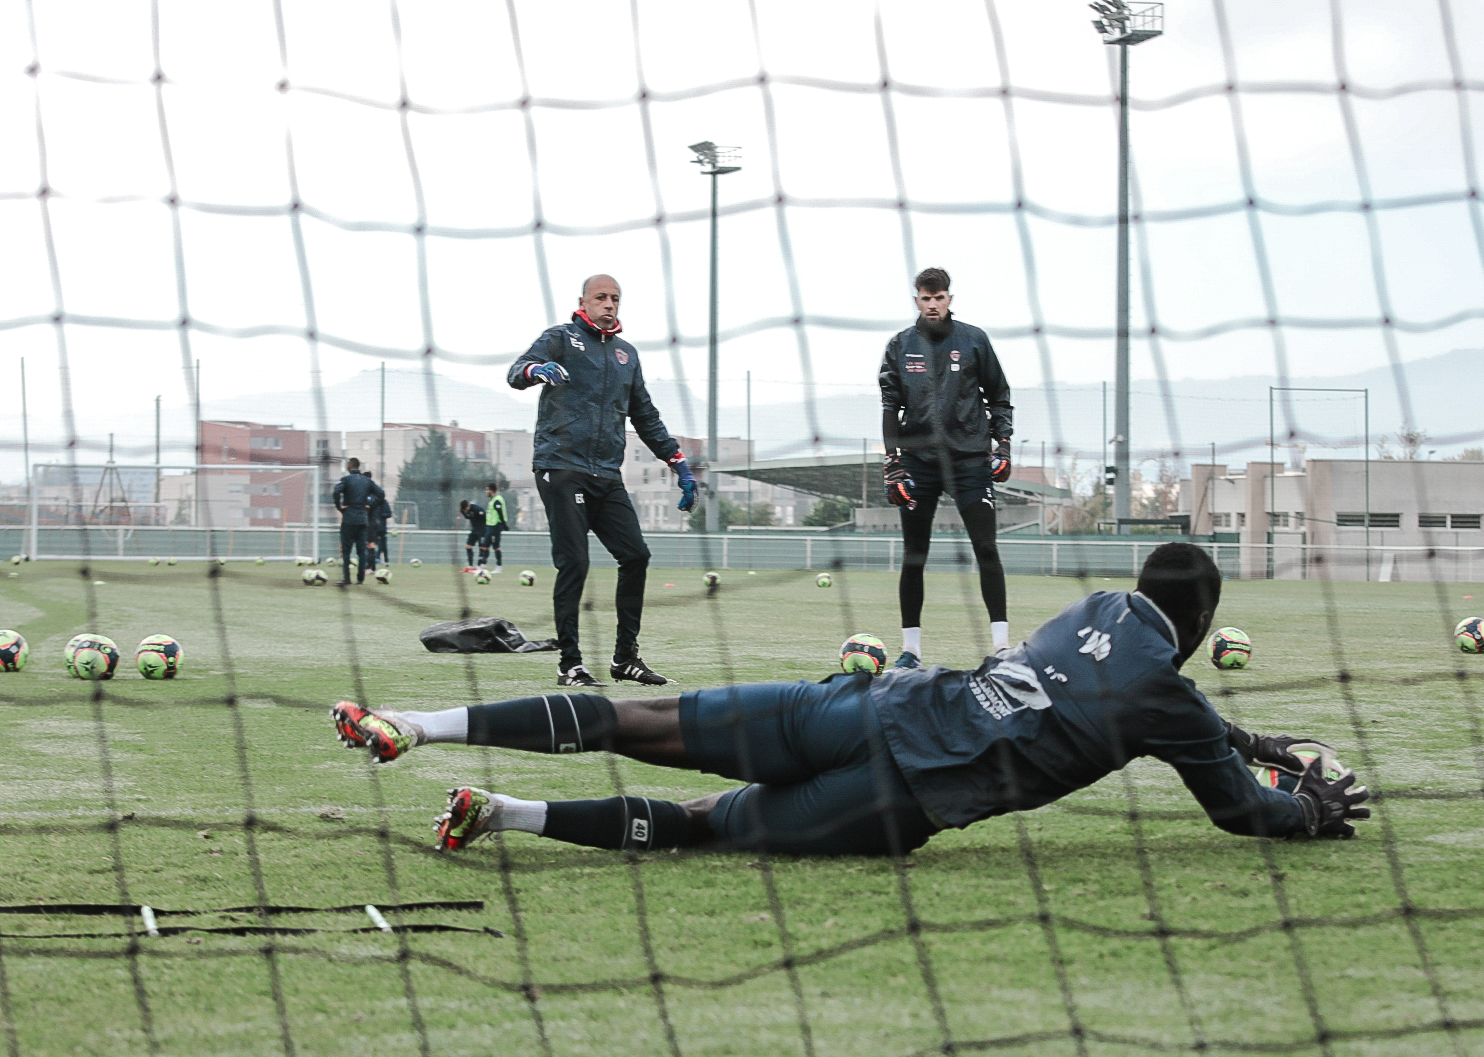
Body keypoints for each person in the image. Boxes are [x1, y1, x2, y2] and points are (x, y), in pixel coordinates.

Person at [330, 543, 1372, 857]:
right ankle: (506, 815)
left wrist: (1247, 735)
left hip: (874, 707)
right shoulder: (1168, 702)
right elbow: (1236, 807)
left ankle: (416, 725)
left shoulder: (1097, 608)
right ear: (1201, 625)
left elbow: (1147, 701)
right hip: (896, 797)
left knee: (641, 718)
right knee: (706, 824)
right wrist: (1308, 810)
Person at [505, 273, 698, 688]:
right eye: (601, 297)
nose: (609, 304)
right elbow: (515, 372)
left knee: (636, 556)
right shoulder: (560, 338)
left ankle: (625, 659)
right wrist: (538, 369)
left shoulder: (627, 355)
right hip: (561, 468)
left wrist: (678, 463)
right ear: (583, 302)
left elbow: (645, 415)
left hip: (606, 474)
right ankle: (570, 665)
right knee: (575, 562)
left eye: (615, 298)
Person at [880, 267, 1014, 670]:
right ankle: (911, 651)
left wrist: (1003, 443)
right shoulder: (900, 345)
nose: (933, 304)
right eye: (926, 298)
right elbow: (890, 407)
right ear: (917, 300)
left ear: (949, 299)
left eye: (939, 297)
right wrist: (893, 462)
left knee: (986, 548)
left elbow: (999, 395)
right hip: (919, 464)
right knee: (914, 555)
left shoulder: (974, 340)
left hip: (969, 460)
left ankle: (1002, 647)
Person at [331, 458, 383, 586]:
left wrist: (339, 507)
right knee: (362, 550)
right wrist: (370, 505)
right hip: (362, 519)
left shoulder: (346, 479)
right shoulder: (367, 481)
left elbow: (336, 492)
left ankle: (347, 578)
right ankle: (360, 578)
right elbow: (381, 494)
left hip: (349, 519)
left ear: (350, 465)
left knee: (346, 550)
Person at [363, 470, 391, 573]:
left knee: (369, 544)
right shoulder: (376, 493)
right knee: (370, 545)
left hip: (371, 522)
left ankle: (369, 567)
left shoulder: (369, 494)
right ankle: (372, 567)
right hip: (374, 522)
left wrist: (369, 507)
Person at [482, 482, 509, 573]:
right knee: (485, 545)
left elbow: (500, 512)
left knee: (495, 546)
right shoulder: (493, 500)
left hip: (495, 526)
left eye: (487, 490)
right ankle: (482, 566)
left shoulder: (497, 500)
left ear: (491, 490)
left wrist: (504, 524)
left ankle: (499, 566)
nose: (486, 491)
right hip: (490, 526)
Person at [459, 498, 487, 570]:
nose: (466, 511)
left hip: (482, 529)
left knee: (481, 547)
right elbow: (467, 517)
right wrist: (463, 513)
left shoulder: (477, 509)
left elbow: (485, 517)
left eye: (466, 509)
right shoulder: (464, 510)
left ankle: (480, 565)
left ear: (468, 506)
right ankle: (470, 565)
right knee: (468, 546)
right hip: (474, 529)